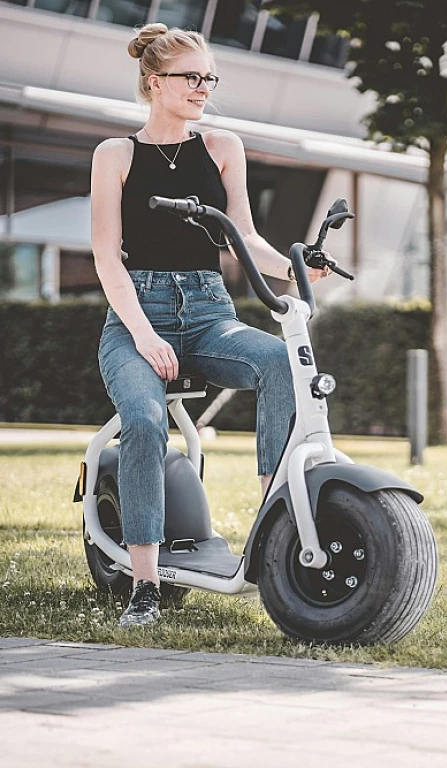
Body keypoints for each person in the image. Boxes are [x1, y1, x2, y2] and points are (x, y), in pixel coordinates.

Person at [90, 23, 328, 628]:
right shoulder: (115, 156)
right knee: (144, 424)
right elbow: (104, 256)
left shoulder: (223, 146)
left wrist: (299, 262)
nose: (203, 88)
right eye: (191, 77)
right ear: (153, 82)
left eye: (209, 78)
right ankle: (145, 585)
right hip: (135, 316)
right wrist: (144, 335)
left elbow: (244, 238)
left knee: (279, 362)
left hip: (207, 313)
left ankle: (272, 518)